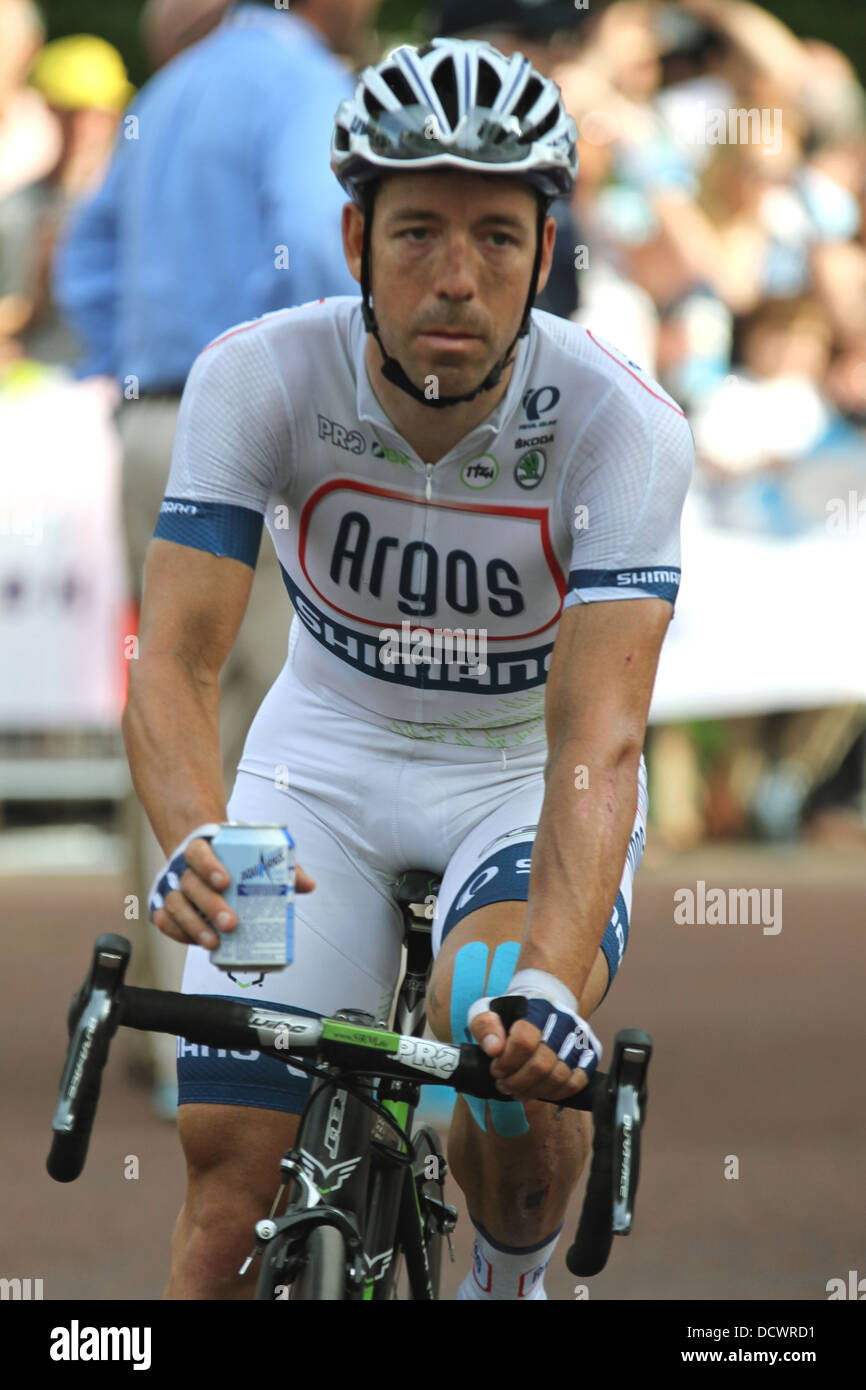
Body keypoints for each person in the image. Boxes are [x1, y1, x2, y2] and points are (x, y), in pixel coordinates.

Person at [128, 36, 694, 1300]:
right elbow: (173, 658)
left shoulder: (621, 427)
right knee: (225, 1205)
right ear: (351, 242)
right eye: (417, 231)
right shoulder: (256, 375)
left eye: (496, 237)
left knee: (494, 998)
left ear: (545, 252)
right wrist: (186, 834)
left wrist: (553, 975)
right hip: (317, 760)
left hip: (516, 773)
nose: (454, 277)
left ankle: (509, 1278)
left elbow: (597, 739)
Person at [54, 0, 380, 1117]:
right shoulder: (294, 79)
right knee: (266, 728)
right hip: (254, 425)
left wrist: (128, 356)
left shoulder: (170, 86)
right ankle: (241, 1036)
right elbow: (316, 247)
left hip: (152, 415)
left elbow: (81, 254)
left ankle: (160, 1025)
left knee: (165, 705)